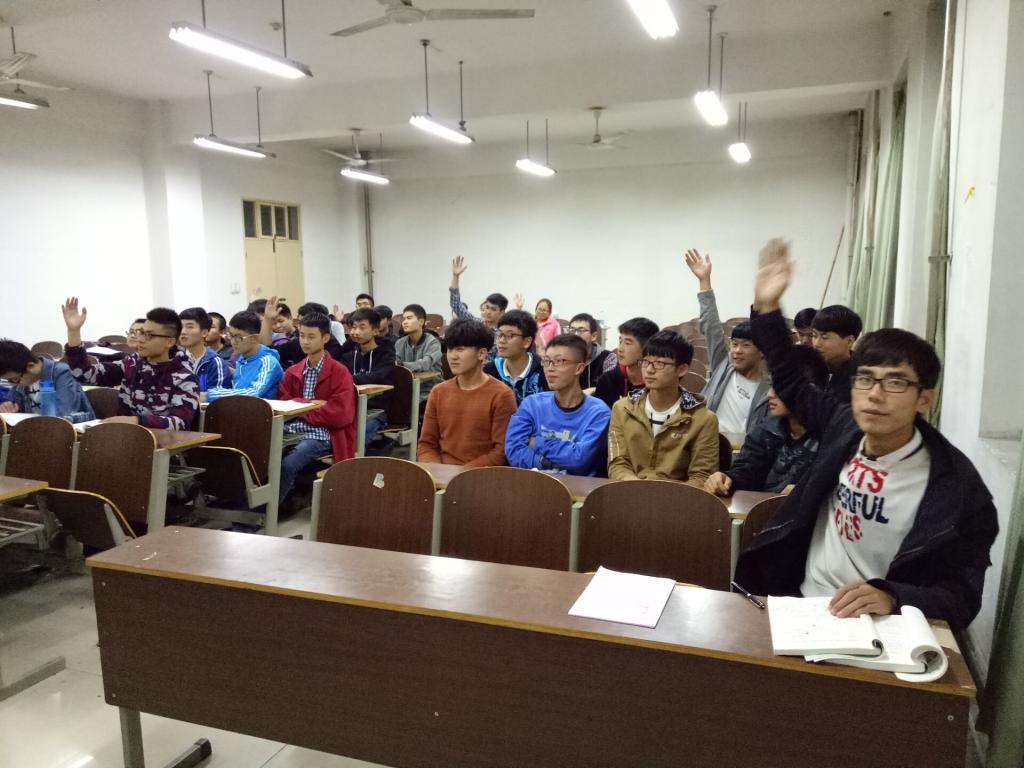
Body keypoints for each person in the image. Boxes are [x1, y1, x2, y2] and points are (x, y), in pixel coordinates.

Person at [734, 238, 998, 631]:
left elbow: (962, 597)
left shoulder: (957, 488)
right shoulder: (844, 427)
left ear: (925, 399)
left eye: (895, 383)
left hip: (882, 627)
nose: (875, 394)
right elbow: (790, 378)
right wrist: (767, 307)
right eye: (866, 379)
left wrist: (894, 596)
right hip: (802, 605)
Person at [704, 344, 829, 496]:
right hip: (763, 508)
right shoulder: (769, 427)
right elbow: (747, 471)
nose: (770, 394)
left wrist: (807, 491)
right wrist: (728, 478)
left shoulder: (832, 436)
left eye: (780, 388)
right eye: (771, 385)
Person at [61, 298, 199, 429]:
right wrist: (74, 331)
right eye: (142, 333)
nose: (141, 339)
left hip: (165, 444)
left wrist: (137, 420)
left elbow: (180, 423)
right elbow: (85, 374)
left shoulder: (185, 377)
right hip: (126, 438)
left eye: (149, 335)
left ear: (169, 342)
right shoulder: (131, 364)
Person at [607, 330, 719, 486]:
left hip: (679, 496)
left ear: (682, 369)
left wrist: (662, 496)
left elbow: (702, 475)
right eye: (646, 362)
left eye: (660, 363)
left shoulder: (703, 419)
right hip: (631, 491)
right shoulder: (622, 408)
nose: (649, 370)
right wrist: (637, 489)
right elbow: (618, 463)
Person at [685, 248, 770, 436]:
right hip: (708, 443)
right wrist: (704, 281)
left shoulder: (769, 389)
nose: (737, 350)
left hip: (744, 450)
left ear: (762, 351)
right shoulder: (723, 366)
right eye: (735, 344)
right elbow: (711, 327)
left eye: (746, 345)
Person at [276, 313, 357, 504]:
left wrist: (301, 409)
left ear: (325, 338)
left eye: (311, 337)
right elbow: (284, 404)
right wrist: (312, 405)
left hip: (325, 433)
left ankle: (268, 512)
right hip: (291, 429)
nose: (305, 341)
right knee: (264, 456)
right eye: (302, 336)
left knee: (288, 464)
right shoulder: (293, 371)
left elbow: (341, 415)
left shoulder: (339, 372)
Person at [504, 333, 611, 476]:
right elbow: (513, 450)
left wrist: (537, 442)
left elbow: (579, 460)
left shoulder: (598, 412)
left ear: (579, 368)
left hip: (578, 488)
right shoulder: (532, 404)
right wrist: (547, 463)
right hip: (532, 483)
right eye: (546, 361)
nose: (549, 368)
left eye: (559, 361)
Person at [418, 319, 517, 466]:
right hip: (441, 473)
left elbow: (500, 452)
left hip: (480, 475)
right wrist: (436, 471)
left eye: (460, 349)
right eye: (450, 349)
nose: (452, 356)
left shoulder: (501, 395)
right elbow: (427, 444)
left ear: (481, 354)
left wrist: (461, 474)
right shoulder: (439, 392)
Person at [0, 339, 95, 423]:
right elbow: (11, 403)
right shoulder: (21, 378)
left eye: (15, 379)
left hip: (70, 430)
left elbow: (63, 415)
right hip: (38, 429)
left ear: (30, 366)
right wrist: (7, 407)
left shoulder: (61, 373)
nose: (13, 383)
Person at [339, 307, 395, 446]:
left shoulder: (386, 354)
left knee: (356, 438)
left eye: (362, 327)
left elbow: (378, 377)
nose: (356, 332)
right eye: (353, 327)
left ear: (375, 331)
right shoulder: (349, 355)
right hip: (351, 409)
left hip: (376, 410)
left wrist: (348, 380)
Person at [206, 310, 283, 401]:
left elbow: (254, 392)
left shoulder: (268, 361)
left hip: (263, 409)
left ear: (254, 338)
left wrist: (209, 395)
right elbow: (238, 390)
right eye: (231, 336)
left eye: (239, 338)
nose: (233, 342)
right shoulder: (242, 359)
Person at [483, 309, 548, 404]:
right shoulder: (490, 371)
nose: (501, 340)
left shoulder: (544, 371)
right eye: (499, 334)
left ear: (527, 342)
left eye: (510, 335)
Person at [449, 255, 507, 359]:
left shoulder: (503, 333)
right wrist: (455, 276)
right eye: (487, 307)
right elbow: (456, 304)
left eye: (493, 309)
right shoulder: (476, 324)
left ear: (502, 312)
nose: (488, 312)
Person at [594, 317, 659, 408]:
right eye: (620, 341)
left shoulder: (657, 382)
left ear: (647, 348)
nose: (620, 349)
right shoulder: (607, 380)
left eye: (627, 343)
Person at [270, 301, 345, 369]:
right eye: (299, 322)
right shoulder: (297, 342)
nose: (305, 342)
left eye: (311, 337)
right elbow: (272, 351)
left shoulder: (333, 348)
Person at [811, 304, 863, 403]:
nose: (817, 343)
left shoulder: (860, 376)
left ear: (849, 341)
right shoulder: (809, 366)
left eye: (824, 337)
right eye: (814, 335)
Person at [394, 304, 443, 402]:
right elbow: (395, 365)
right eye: (404, 319)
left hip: (431, 389)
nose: (404, 322)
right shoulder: (400, 343)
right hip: (408, 388)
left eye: (409, 318)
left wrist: (402, 365)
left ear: (421, 322)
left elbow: (425, 364)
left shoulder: (433, 342)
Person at [178, 307, 231, 392]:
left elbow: (219, 396)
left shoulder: (215, 363)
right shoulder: (174, 360)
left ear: (204, 333)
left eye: (190, 327)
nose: (183, 332)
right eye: (180, 327)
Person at [568, 313, 617, 389]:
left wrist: (593, 390)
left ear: (593, 336)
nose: (576, 334)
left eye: (581, 330)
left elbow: (609, 386)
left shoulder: (608, 357)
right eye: (572, 330)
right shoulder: (563, 357)